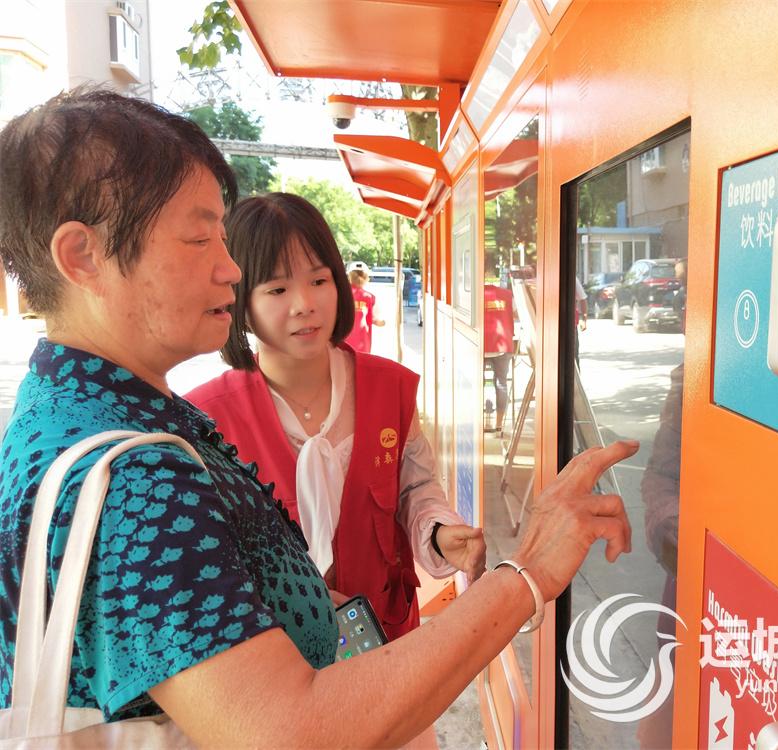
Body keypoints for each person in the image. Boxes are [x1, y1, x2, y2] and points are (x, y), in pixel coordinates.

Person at [0, 88, 637, 748]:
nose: (229, 269)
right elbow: (290, 731)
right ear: (83, 256)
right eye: (198, 238)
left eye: (224, 238)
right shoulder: (136, 480)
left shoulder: (81, 414)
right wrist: (527, 574)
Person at [185, 193, 482, 640]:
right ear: (240, 300)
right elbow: (207, 561)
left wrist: (439, 531)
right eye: (277, 289)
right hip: (278, 654)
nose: (305, 303)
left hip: (387, 638)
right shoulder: (205, 420)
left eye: (319, 280)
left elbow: (414, 487)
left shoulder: (389, 388)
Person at [483, 283, 515, 434]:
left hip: (481, 344)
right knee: (501, 383)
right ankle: (499, 424)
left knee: (479, 383)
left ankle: (483, 421)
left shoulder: (475, 294)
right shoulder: (507, 294)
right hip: (503, 345)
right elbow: (515, 313)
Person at [344, 266, 384, 354]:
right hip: (363, 345)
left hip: (342, 345)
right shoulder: (369, 297)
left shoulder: (340, 295)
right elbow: (377, 320)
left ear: (349, 277)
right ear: (366, 279)